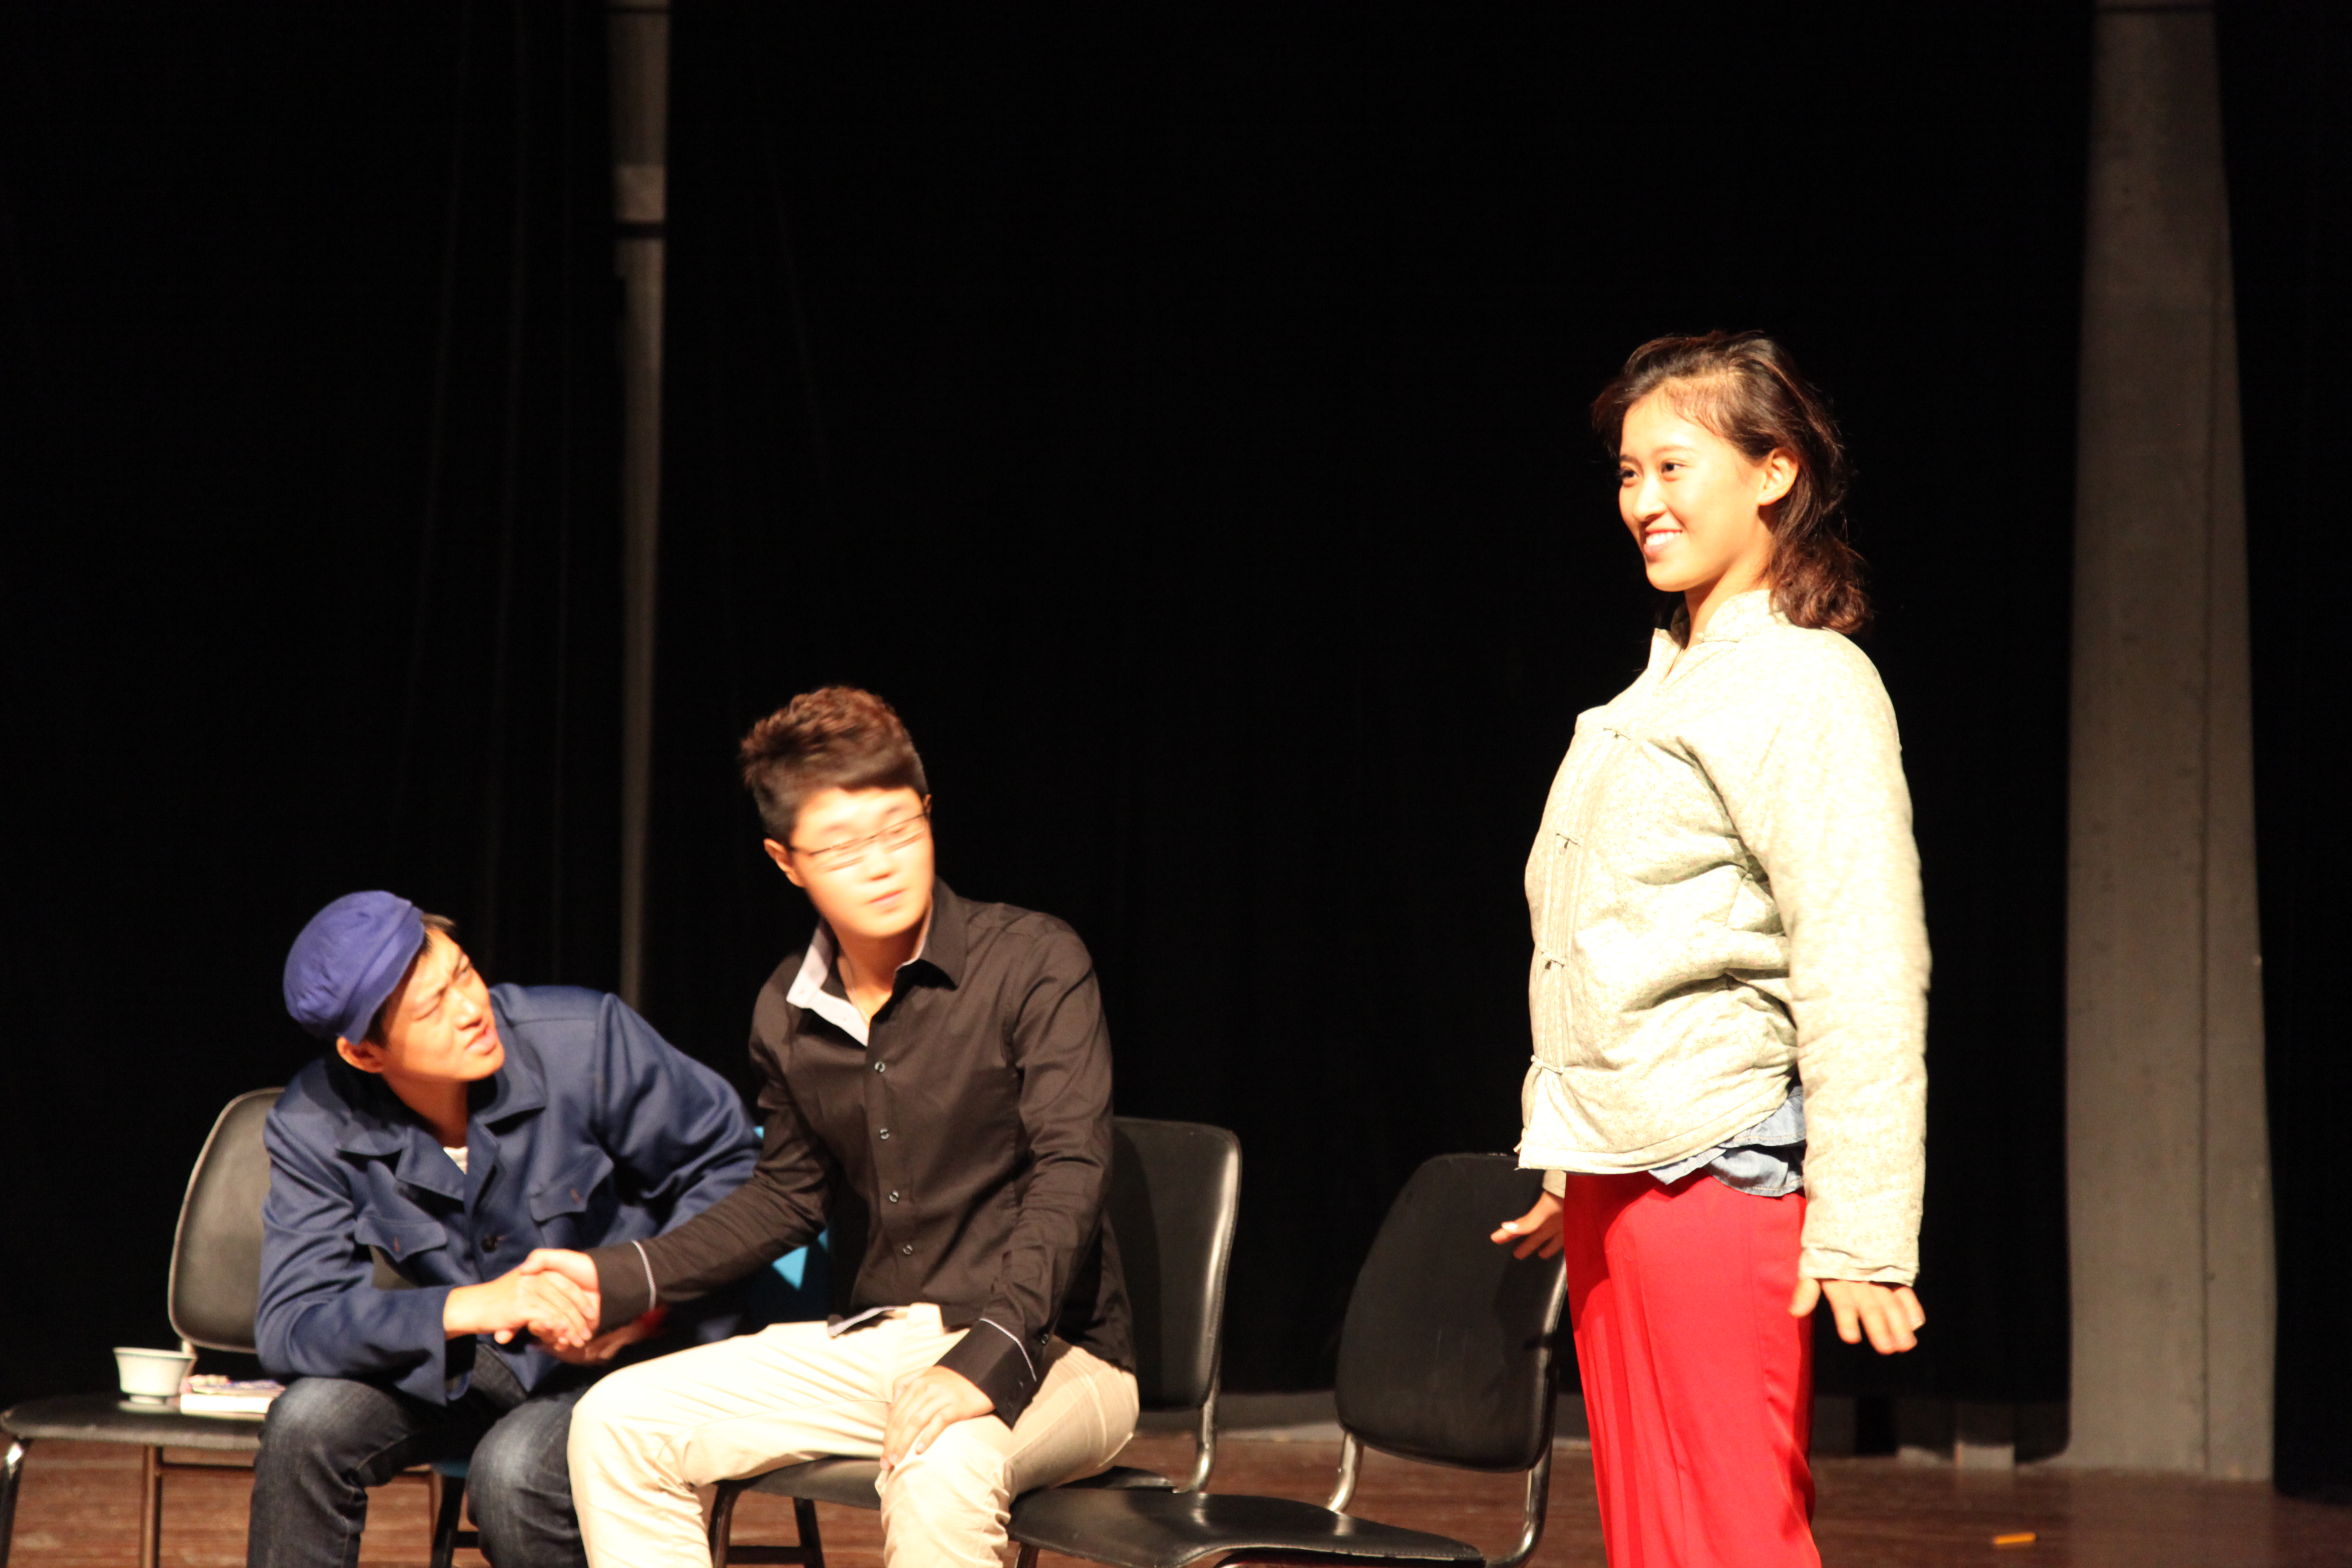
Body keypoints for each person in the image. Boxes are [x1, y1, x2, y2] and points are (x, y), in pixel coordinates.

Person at [1489, 331, 1930, 1568]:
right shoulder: (1656, 692)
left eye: (1674, 467)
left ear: (1774, 471)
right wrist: (1571, 1144)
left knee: (1733, 1538)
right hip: (1617, 1181)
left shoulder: (1808, 684)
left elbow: (1860, 957)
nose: (1644, 501)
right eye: (1629, 474)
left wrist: (1862, 1229)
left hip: (1717, 1179)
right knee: (1652, 1541)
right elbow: (1597, 945)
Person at [529, 686, 1138, 1568]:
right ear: (786, 862)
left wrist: (992, 1350)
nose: (882, 865)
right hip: (883, 1340)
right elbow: (786, 1197)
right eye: (844, 848)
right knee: (618, 1421)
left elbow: (1072, 1166)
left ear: (928, 813)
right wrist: (617, 1275)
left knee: (939, 1461)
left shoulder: (1034, 960)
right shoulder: (788, 1006)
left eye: (900, 830)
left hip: (1057, 1349)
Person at [253, 892, 761, 1568]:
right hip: (477, 1367)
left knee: (514, 1472)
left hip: (635, 1352)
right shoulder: (315, 1121)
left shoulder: (583, 1039)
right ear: (366, 1054)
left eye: (463, 974)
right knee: (304, 1427)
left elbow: (738, 1169)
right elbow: (294, 1323)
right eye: (433, 1008)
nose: (471, 1009)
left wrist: (642, 1298)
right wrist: (473, 1306)